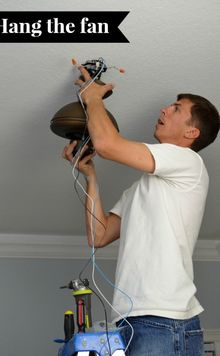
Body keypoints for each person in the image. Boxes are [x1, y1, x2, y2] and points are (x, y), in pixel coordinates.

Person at [63, 65, 220, 356]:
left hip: (164, 319)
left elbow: (107, 144)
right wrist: (91, 176)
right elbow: (99, 235)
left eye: (175, 108)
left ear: (192, 131)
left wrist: (93, 98)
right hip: (133, 321)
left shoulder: (188, 162)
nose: (164, 109)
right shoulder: (141, 189)